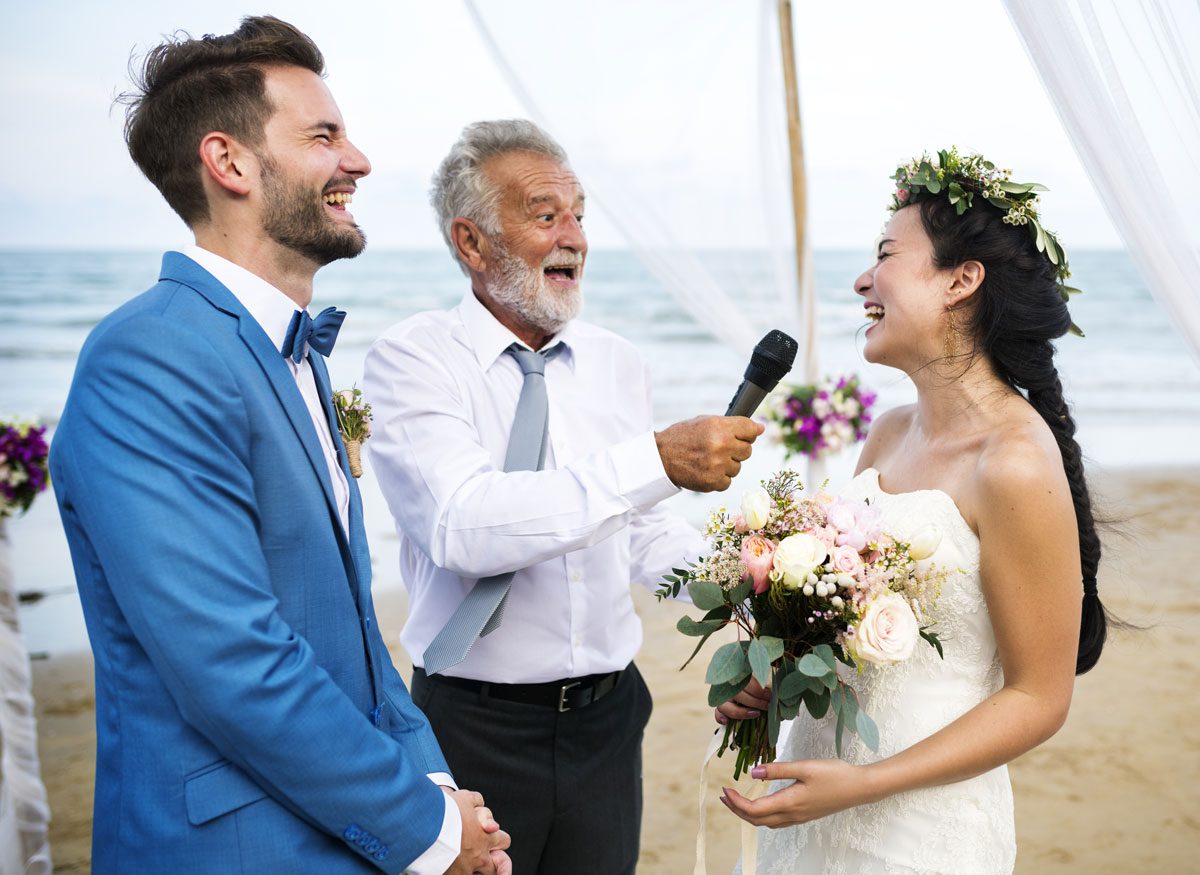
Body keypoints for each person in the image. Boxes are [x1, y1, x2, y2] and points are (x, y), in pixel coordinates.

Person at [50, 17, 509, 874]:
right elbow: (233, 659)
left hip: (336, 828)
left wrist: (437, 785)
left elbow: (358, 637)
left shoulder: (287, 353)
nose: (359, 162)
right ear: (230, 164)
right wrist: (429, 832)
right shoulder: (149, 357)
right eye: (324, 136)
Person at [363, 119, 763, 874]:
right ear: (471, 241)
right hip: (471, 725)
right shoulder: (411, 360)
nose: (574, 236)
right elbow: (463, 525)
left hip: (608, 721)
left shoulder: (618, 362)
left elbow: (639, 529)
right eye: (546, 215)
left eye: (580, 213)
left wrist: (747, 591)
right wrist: (656, 458)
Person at [718, 148, 1108, 874]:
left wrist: (864, 784)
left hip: (916, 832)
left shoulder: (1016, 460)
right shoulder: (889, 430)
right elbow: (841, 633)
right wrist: (772, 668)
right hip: (809, 803)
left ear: (962, 280)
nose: (863, 279)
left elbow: (1039, 697)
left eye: (886, 256)